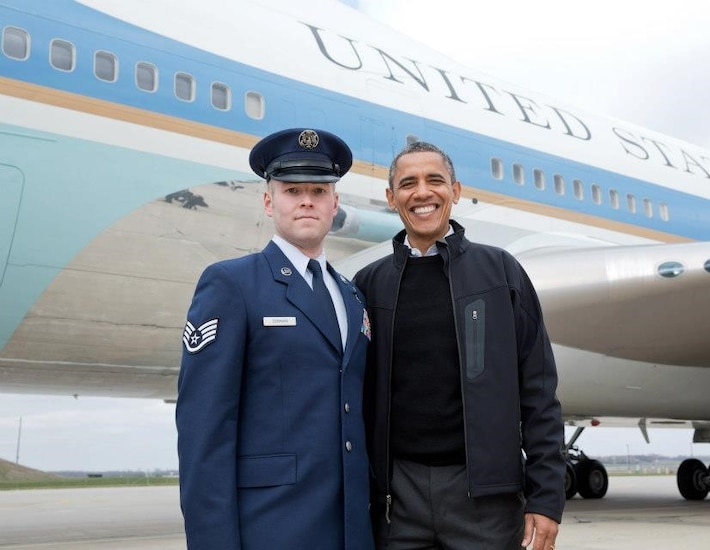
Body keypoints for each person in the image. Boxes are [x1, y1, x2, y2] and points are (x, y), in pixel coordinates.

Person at [353, 141, 566, 550]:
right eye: (407, 183)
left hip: (486, 500)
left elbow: (539, 393)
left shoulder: (501, 272)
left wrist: (546, 498)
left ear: (456, 190)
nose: (422, 193)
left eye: (435, 180)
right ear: (390, 197)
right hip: (398, 502)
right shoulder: (368, 284)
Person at [176, 128, 374, 550]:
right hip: (272, 529)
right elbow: (204, 430)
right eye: (292, 190)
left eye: (319, 190)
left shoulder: (352, 296)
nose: (306, 200)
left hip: (350, 532)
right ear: (269, 202)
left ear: (334, 204)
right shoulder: (232, 284)